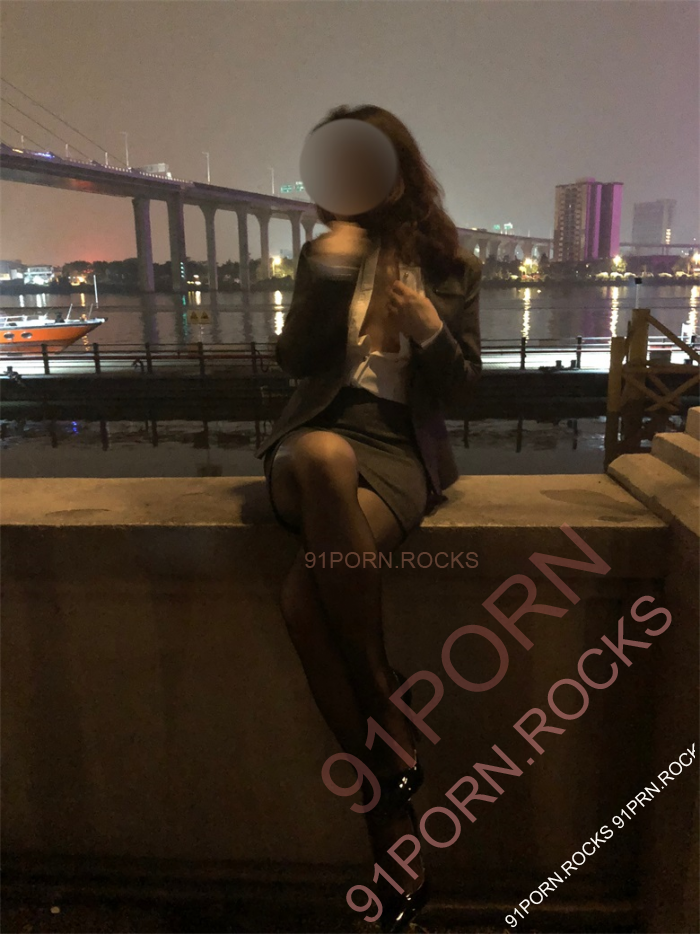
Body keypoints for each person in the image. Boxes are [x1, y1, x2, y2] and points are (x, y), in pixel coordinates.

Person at [254, 103, 482, 933]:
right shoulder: (324, 253)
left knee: (302, 602)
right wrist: (325, 275)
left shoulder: (453, 267)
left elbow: (464, 389)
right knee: (323, 456)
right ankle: (388, 699)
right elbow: (293, 361)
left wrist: (430, 330)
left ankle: (386, 819)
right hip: (313, 442)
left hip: (394, 452)